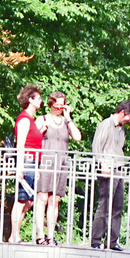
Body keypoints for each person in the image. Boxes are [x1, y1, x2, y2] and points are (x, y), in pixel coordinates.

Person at [89, 99, 130, 250]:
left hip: (119, 167)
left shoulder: (121, 129)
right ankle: (96, 240)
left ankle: (112, 241)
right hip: (107, 168)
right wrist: (102, 163)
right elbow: (97, 146)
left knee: (118, 206)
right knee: (104, 205)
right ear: (123, 112)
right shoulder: (106, 124)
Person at [34, 91, 81, 244]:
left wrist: (68, 119)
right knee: (42, 199)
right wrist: (42, 129)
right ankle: (40, 236)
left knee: (55, 200)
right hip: (45, 163)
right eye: (57, 105)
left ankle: (51, 236)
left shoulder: (66, 122)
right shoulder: (43, 119)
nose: (59, 108)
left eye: (62, 105)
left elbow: (77, 137)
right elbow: (32, 139)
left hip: (61, 164)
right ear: (51, 103)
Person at [8, 84, 44, 244]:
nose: (41, 101)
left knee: (28, 201)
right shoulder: (24, 119)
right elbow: (20, 145)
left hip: (33, 162)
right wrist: (20, 168)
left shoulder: (31, 120)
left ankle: (15, 234)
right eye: (38, 98)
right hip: (27, 162)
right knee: (22, 199)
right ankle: (14, 235)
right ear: (31, 99)